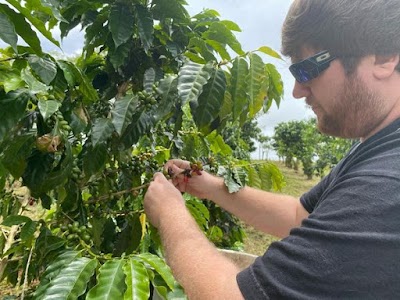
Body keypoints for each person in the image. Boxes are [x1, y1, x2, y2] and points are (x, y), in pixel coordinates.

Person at [144, 0, 400, 298]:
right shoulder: (376, 146)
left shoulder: (387, 183)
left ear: (384, 58)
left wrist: (170, 212)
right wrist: (209, 186)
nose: (297, 90)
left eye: (307, 69)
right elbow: (297, 215)